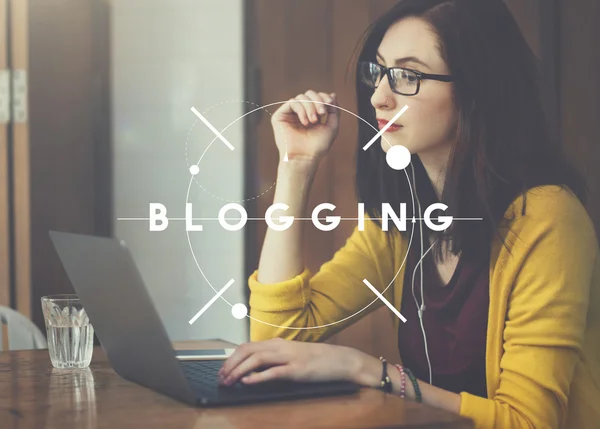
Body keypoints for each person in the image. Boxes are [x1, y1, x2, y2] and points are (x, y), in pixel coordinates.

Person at [218, 0, 600, 427]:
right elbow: (276, 338)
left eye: (407, 76)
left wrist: (365, 370)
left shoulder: (546, 218)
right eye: (377, 71)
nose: (379, 96)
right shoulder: (403, 218)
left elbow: (529, 421)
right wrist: (296, 164)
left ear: (477, 89)